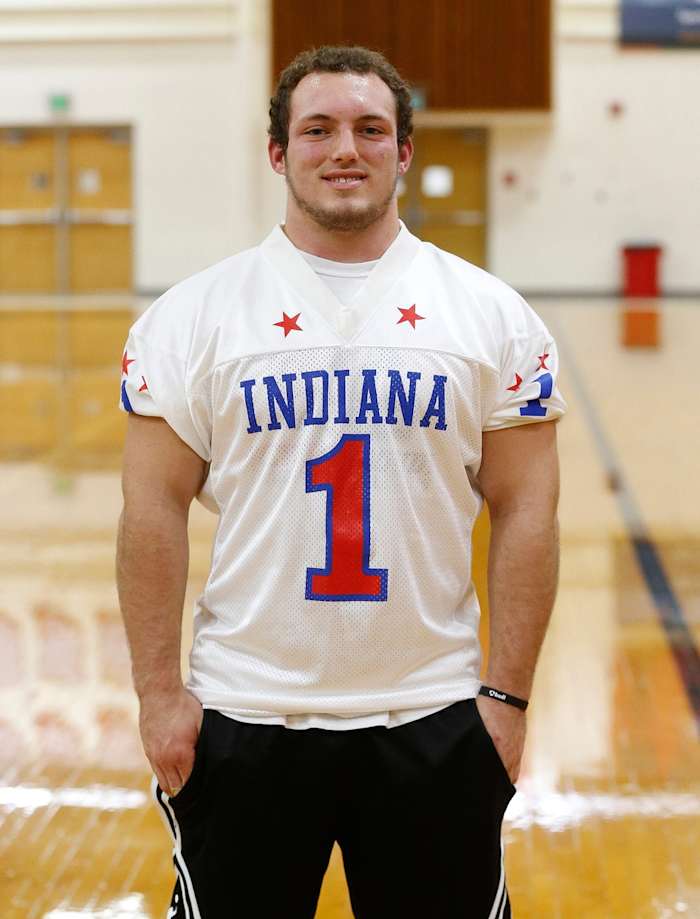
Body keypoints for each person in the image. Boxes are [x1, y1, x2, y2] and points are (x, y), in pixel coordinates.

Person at [116, 45, 565, 919]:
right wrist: (158, 696)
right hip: (245, 714)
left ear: (404, 152)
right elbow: (151, 513)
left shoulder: (492, 315)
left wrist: (506, 698)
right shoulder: (191, 318)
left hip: (432, 714)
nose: (344, 149)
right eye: (317, 129)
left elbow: (528, 512)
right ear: (278, 152)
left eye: (370, 129)